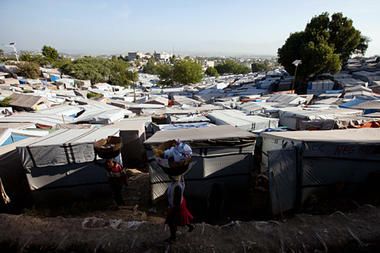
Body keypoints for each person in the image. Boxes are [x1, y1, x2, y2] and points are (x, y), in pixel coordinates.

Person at [165, 175, 194, 242]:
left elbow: (176, 202)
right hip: (178, 203)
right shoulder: (174, 183)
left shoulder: (177, 187)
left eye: (171, 175)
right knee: (181, 218)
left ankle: (173, 238)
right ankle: (190, 226)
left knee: (172, 222)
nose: (169, 176)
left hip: (177, 206)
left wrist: (171, 208)